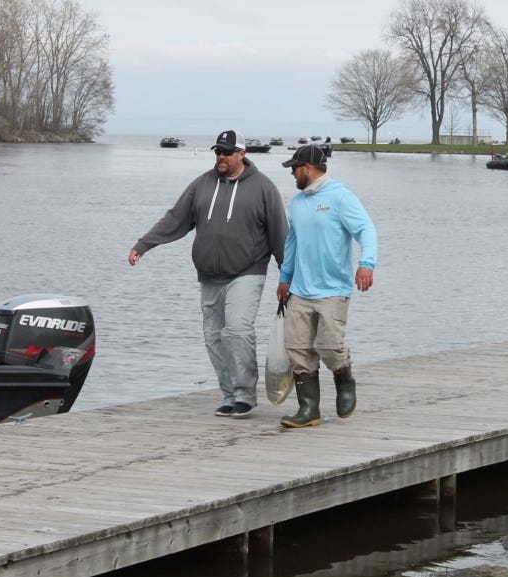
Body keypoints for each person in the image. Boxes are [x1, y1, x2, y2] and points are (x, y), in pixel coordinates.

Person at [129, 129, 288, 418]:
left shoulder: (263, 188)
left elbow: (280, 233)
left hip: (247, 271)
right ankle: (229, 394)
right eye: (218, 151)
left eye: (227, 152)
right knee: (214, 336)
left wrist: (287, 275)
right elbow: (175, 218)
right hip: (209, 275)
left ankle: (245, 395)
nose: (221, 157)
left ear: (242, 154)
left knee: (237, 329)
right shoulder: (202, 185)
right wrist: (144, 245)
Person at [276, 145, 377, 428]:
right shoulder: (297, 202)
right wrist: (285, 278)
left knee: (330, 345)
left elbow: (366, 230)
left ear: (307, 168)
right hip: (300, 290)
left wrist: (367, 263)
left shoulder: (340, 197)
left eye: (294, 168)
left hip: (333, 289)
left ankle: (345, 382)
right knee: (297, 348)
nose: (292, 174)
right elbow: (292, 242)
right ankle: (309, 409)